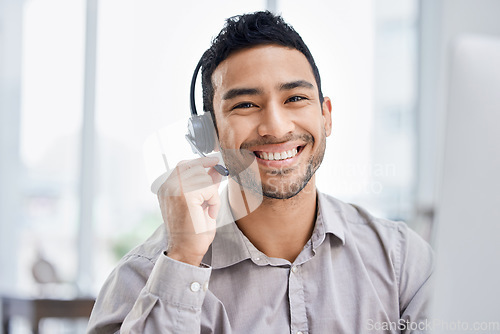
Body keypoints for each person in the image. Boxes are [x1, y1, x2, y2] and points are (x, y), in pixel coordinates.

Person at [87, 11, 433, 334]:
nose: (275, 126)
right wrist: (183, 262)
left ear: (326, 115)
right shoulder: (143, 277)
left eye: (295, 98)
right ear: (207, 134)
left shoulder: (401, 262)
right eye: (246, 105)